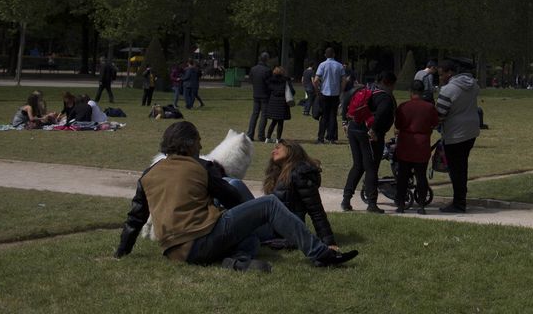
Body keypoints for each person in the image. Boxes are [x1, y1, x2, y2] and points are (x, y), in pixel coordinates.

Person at [115, 121, 357, 271]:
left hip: (175, 252)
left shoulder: (148, 174)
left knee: (250, 239)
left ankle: (235, 261)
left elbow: (135, 218)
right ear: (188, 145)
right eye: (198, 142)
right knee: (269, 205)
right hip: (201, 240)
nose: (201, 147)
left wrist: (122, 252)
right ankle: (319, 253)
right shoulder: (201, 167)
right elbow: (233, 199)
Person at [261, 140, 336, 248]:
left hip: (284, 229)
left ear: (291, 149)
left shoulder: (300, 174)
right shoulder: (277, 174)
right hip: (271, 225)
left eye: (278, 148)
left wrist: (329, 242)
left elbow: (316, 210)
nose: (273, 151)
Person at [341, 70, 396, 213]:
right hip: (370, 134)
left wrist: (344, 122)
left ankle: (346, 200)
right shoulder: (384, 96)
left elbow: (346, 100)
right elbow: (382, 113)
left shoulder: (363, 88)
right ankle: (372, 203)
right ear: (388, 83)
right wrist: (374, 129)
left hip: (353, 128)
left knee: (358, 165)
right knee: (371, 167)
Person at [436, 58, 480, 213]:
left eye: (442, 75)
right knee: (462, 166)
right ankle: (461, 199)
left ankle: (459, 203)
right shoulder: (473, 84)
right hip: (471, 130)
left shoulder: (448, 90)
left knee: (455, 170)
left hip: (455, 133)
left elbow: (439, 114)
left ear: (450, 72)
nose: (440, 78)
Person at [394, 79, 439, 214]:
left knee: (403, 175)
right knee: (421, 176)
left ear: (410, 91)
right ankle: (421, 206)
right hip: (422, 143)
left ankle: (401, 204)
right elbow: (435, 123)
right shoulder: (429, 107)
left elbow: (398, 125)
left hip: (406, 143)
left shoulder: (403, 106)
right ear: (422, 91)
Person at [314, 48, 345, 145]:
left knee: (324, 116)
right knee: (333, 116)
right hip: (335, 94)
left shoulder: (322, 65)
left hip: (324, 92)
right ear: (334, 54)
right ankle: (332, 138)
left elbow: (316, 80)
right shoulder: (339, 66)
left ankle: (321, 138)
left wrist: (317, 90)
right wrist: (341, 90)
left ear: (325, 55)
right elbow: (344, 80)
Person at [264, 67, 294, 143]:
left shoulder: (271, 81)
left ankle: (267, 138)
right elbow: (292, 91)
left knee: (273, 121)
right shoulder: (286, 80)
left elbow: (267, 90)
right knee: (280, 122)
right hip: (282, 103)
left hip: (273, 102)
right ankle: (278, 139)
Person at [246, 53, 271, 142]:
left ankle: (250, 134)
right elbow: (269, 83)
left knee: (255, 114)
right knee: (264, 115)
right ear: (266, 59)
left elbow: (250, 81)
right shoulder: (267, 70)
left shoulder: (253, 69)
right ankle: (261, 135)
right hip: (265, 95)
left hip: (256, 94)